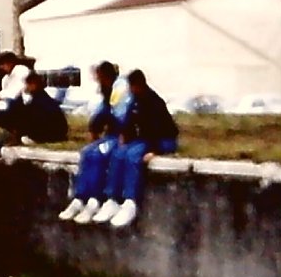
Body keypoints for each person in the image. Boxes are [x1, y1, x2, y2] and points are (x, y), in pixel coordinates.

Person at [91, 68, 179, 229]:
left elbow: (158, 129)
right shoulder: (135, 100)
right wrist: (124, 136)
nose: (131, 90)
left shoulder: (154, 102)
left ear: (140, 85)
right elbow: (130, 122)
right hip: (145, 138)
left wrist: (154, 150)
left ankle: (130, 200)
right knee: (118, 154)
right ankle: (112, 198)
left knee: (133, 156)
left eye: (133, 86)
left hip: (163, 140)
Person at [59, 61, 131, 223]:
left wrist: (122, 135)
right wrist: (94, 128)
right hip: (111, 134)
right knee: (87, 152)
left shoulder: (120, 90)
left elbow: (122, 116)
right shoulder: (107, 91)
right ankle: (80, 197)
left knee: (99, 154)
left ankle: (95, 199)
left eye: (98, 77)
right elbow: (103, 111)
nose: (97, 81)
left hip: (123, 135)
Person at [13, 72, 68, 144]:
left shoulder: (38, 100)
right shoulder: (43, 97)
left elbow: (32, 117)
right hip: (58, 134)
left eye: (27, 84)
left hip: (50, 134)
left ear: (33, 85)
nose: (26, 87)